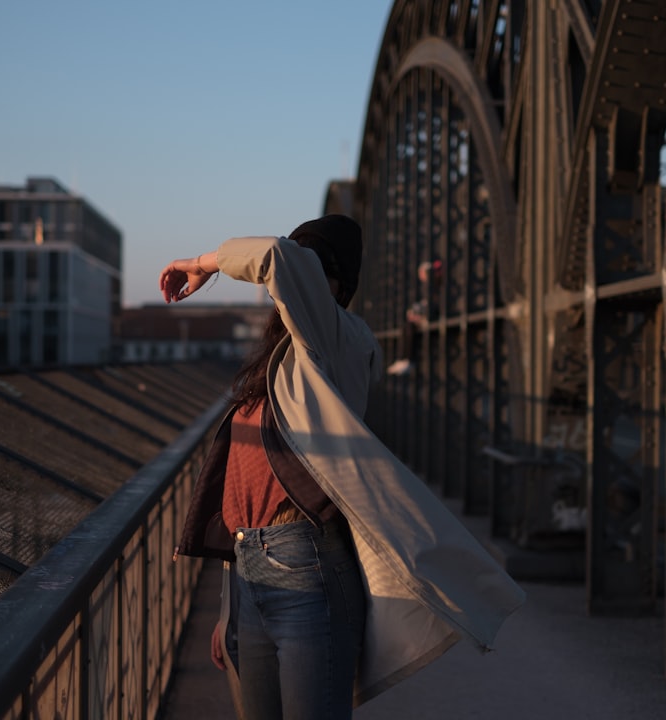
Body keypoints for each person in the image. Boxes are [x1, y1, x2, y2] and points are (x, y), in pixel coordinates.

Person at [161, 215, 525, 720]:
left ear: (335, 285)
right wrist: (229, 610)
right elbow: (250, 488)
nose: (287, 282)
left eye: (315, 267)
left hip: (305, 569)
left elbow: (276, 257)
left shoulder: (335, 340)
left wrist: (199, 265)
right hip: (251, 574)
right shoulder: (282, 359)